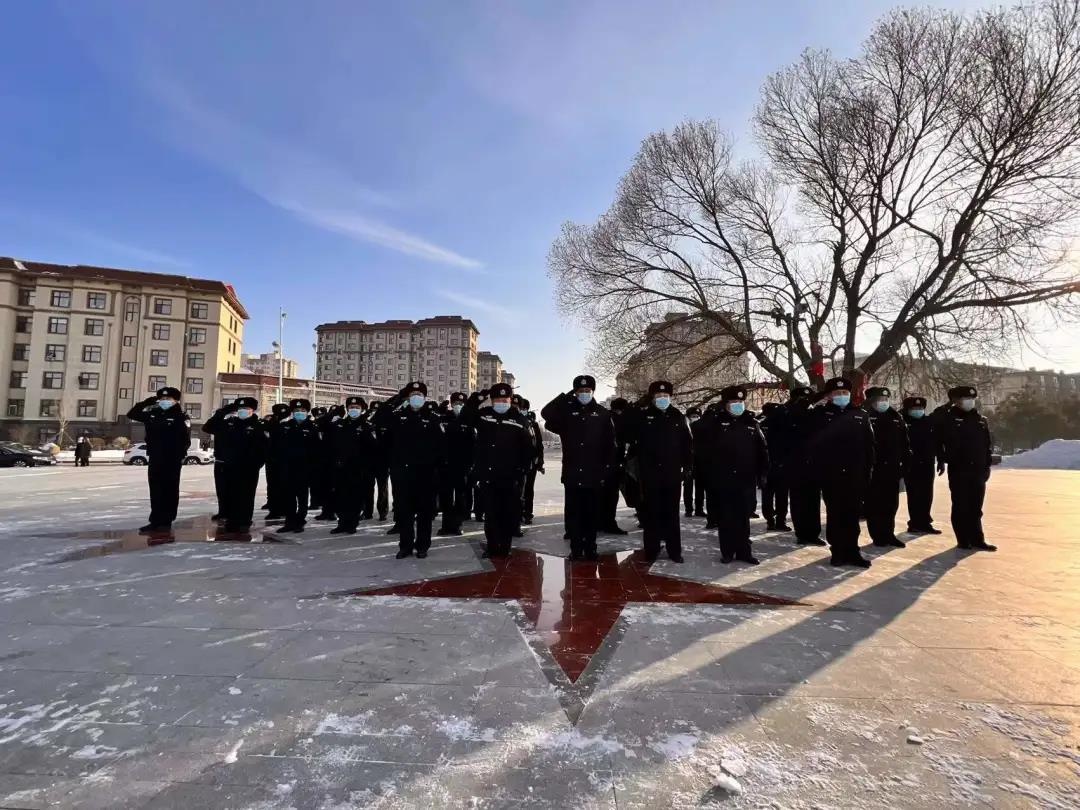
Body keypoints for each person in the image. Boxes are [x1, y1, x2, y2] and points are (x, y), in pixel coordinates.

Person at [541, 375, 617, 561]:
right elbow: (546, 414)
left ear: (593, 392)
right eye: (580, 391)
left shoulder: (602, 414)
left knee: (592, 513)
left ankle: (591, 548)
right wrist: (566, 397)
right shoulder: (567, 413)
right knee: (574, 514)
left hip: (594, 473)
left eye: (587, 391)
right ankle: (576, 549)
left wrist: (606, 469)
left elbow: (610, 445)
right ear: (575, 393)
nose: (584, 394)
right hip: (573, 473)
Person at [804, 377, 876, 567]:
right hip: (831, 474)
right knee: (836, 514)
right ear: (829, 396)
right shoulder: (819, 415)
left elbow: (869, 446)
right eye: (837, 393)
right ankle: (837, 551)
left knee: (852, 515)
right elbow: (811, 444)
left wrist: (868, 470)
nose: (842, 396)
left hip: (855, 473)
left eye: (845, 393)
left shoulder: (860, 414)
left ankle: (853, 552)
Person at [695, 385, 769, 565]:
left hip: (746, 478)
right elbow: (700, 440)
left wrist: (763, 472)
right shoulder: (715, 422)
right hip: (723, 478)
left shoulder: (751, 422)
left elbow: (762, 450)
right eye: (733, 402)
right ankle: (727, 551)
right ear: (725, 404)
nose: (738, 405)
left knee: (744, 517)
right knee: (726, 517)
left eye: (741, 401)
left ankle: (745, 552)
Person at [372, 382, 445, 559]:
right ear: (407, 397)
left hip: (426, 475)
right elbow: (378, 419)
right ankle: (405, 546)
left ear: (425, 397)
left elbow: (442, 447)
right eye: (412, 394)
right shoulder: (397, 416)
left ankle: (422, 546)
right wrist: (397, 399)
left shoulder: (433, 417)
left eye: (420, 393)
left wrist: (437, 470)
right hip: (402, 474)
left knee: (424, 514)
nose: (416, 397)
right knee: (404, 512)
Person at [461, 383, 534, 557]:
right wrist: (478, 398)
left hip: (511, 476)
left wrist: (521, 471)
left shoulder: (519, 419)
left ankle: (505, 546)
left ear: (510, 400)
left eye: (505, 400)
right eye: (498, 400)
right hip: (488, 474)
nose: (502, 403)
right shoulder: (484, 416)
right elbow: (465, 418)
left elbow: (528, 449)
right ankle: (493, 547)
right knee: (491, 514)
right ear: (492, 401)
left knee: (507, 513)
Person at [628, 381, 692, 563]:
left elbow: (687, 443)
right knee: (651, 513)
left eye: (665, 396)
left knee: (672, 513)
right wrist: (635, 407)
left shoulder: (677, 416)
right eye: (658, 396)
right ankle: (652, 549)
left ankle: (674, 551)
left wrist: (687, 467)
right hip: (649, 474)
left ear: (670, 397)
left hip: (672, 473)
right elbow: (626, 430)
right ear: (652, 398)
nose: (662, 399)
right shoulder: (643, 416)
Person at [937, 385, 996, 551]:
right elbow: (937, 435)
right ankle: (963, 539)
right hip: (959, 469)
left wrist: (987, 466)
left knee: (976, 507)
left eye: (972, 399)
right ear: (956, 401)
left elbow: (987, 445)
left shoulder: (980, 419)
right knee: (961, 505)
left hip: (978, 470)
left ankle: (978, 539)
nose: (970, 402)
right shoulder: (948, 419)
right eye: (965, 399)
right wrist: (942, 459)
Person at [127, 386, 191, 532]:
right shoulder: (153, 413)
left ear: (176, 401)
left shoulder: (181, 416)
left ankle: (166, 520)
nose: (164, 401)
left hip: (172, 459)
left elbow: (185, 440)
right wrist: (146, 402)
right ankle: (155, 520)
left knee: (169, 489)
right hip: (155, 456)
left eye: (168, 399)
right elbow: (132, 414)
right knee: (155, 489)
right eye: (161, 399)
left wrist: (179, 456)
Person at [202, 396, 267, 532]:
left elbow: (264, 448)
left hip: (248, 467)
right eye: (240, 408)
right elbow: (207, 427)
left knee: (246, 494)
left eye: (246, 408)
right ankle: (231, 519)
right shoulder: (230, 423)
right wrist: (223, 411)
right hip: (229, 465)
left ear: (253, 410)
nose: (242, 411)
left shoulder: (258, 425)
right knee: (230, 494)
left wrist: (256, 464)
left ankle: (244, 520)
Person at [862, 387, 911, 548]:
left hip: (892, 468)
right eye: (879, 400)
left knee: (891, 504)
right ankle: (878, 535)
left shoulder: (896, 417)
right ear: (871, 401)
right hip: (873, 469)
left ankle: (889, 534)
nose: (883, 402)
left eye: (885, 399)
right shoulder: (865, 416)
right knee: (875, 504)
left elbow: (904, 442)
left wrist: (905, 461)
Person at [327, 396, 375, 534]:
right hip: (341, 467)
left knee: (355, 498)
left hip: (358, 469)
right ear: (347, 409)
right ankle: (341, 523)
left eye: (357, 408)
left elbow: (373, 448)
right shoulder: (340, 424)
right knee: (340, 497)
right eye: (351, 408)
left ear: (362, 410)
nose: (354, 410)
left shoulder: (367, 426)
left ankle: (352, 524)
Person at [274, 398, 322, 533]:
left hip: (305, 469)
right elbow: (276, 447)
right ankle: (289, 522)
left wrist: (314, 469)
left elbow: (318, 451)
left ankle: (300, 521)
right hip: (287, 468)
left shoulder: (313, 427)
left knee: (302, 497)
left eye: (302, 410)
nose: (299, 412)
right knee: (288, 497)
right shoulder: (285, 426)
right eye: (296, 411)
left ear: (307, 412)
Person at [786, 386, 826, 546]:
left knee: (813, 500)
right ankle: (801, 533)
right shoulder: (787, 413)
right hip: (796, 464)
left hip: (813, 464)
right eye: (802, 399)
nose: (806, 402)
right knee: (798, 500)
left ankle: (813, 533)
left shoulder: (814, 413)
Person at [902, 395, 941, 534]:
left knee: (927, 494)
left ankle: (925, 522)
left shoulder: (928, 422)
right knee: (914, 494)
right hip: (911, 464)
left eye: (920, 408)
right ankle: (914, 523)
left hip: (928, 463)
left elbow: (937, 442)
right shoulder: (902, 422)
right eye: (914, 408)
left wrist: (940, 460)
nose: (918, 410)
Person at [438, 392, 475, 536]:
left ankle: (457, 524)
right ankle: (446, 526)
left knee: (460, 497)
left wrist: (471, 464)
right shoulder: (444, 418)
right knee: (446, 497)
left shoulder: (469, 420)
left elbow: (473, 443)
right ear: (451, 404)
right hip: (445, 465)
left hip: (462, 465)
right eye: (455, 404)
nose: (458, 406)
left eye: (461, 404)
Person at [598, 398, 631, 535]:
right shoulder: (617, 419)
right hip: (613, 463)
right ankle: (609, 523)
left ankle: (599, 523)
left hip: (602, 463)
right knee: (611, 496)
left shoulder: (603, 417)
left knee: (601, 495)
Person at [759, 400, 793, 532]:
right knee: (780, 496)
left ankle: (772, 521)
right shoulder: (781, 425)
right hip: (777, 466)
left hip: (771, 466)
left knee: (771, 496)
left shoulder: (762, 425)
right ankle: (778, 521)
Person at [261, 403, 291, 518]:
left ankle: (283, 509)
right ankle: (274, 509)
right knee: (273, 485)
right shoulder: (272, 424)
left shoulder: (290, 424)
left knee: (284, 486)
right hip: (272, 459)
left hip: (286, 460)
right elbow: (266, 437)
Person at [519, 399, 545, 525]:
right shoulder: (514, 421)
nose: (522, 410)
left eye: (524, 408)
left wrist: (540, 462)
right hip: (517, 463)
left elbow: (539, 444)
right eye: (521, 407)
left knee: (529, 489)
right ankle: (517, 513)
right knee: (518, 490)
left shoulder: (533, 424)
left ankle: (527, 513)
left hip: (531, 463)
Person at [365, 401, 391, 522]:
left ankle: (382, 512)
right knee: (367, 488)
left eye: (377, 410)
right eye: (373, 410)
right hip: (369, 461)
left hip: (382, 461)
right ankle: (367, 511)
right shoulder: (366, 425)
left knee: (383, 488)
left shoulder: (385, 425)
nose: (375, 413)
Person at [682, 407, 705, 518]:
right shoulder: (685, 428)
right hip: (688, 461)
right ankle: (688, 509)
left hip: (700, 461)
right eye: (693, 417)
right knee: (688, 486)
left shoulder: (702, 429)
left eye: (697, 416)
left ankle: (699, 509)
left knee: (700, 486)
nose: (695, 418)